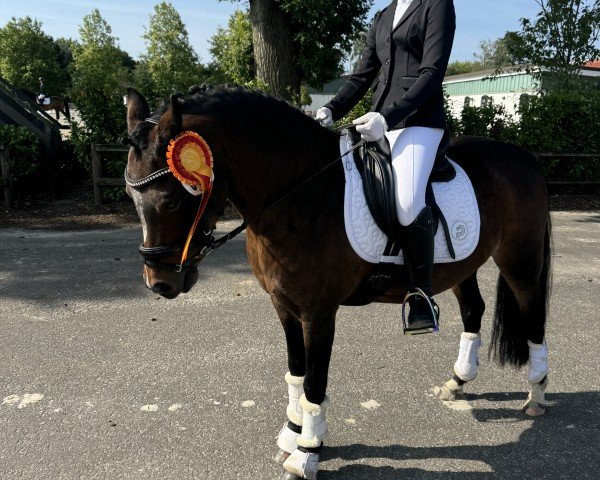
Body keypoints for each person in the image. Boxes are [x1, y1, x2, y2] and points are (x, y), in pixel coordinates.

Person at [316, 0, 456, 335]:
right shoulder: (382, 16)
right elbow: (363, 74)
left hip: (418, 122)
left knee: (408, 202)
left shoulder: (436, 5)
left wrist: (388, 117)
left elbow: (432, 72)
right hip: (377, 119)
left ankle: (421, 295)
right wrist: (332, 109)